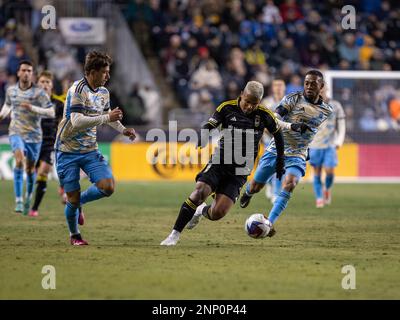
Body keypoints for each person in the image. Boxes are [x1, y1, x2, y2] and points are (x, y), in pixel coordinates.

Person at [160, 81, 308, 246]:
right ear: (242, 95)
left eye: (254, 103)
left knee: (218, 213)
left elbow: (278, 134)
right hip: (220, 161)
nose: (250, 106)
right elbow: (211, 123)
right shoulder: (226, 107)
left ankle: (201, 210)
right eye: (247, 101)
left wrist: (280, 160)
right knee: (199, 192)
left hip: (240, 170)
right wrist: (204, 133)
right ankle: (174, 235)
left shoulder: (264, 114)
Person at [55, 51, 136, 246]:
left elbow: (107, 115)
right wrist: (108, 118)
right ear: (92, 72)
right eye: (104, 72)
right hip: (67, 150)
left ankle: (80, 202)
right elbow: (76, 121)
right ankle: (75, 235)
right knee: (71, 199)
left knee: (108, 186)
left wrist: (123, 130)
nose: (108, 76)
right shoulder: (78, 89)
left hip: (90, 150)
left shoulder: (104, 92)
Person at [239, 70, 333, 236]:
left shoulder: (327, 111)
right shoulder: (293, 98)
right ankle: (248, 193)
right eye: (307, 83)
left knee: (290, 183)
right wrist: (292, 126)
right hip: (277, 148)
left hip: (298, 154)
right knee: (256, 186)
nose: (309, 86)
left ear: (322, 86)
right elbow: (273, 119)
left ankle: (269, 223)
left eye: (313, 83)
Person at [0, 60, 54, 214]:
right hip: (16, 131)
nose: (26, 73)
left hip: (35, 136)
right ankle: (18, 200)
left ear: (32, 74)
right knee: (18, 161)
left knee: (30, 169)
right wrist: (2, 115)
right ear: (18, 72)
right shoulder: (11, 91)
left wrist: (33, 108)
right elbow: (8, 105)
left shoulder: (39, 93)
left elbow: (50, 112)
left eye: (29, 71)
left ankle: (28, 196)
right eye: (23, 70)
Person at [28, 71, 65, 217]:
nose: (45, 85)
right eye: (42, 82)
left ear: (51, 86)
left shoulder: (58, 103)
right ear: (37, 84)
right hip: (33, 143)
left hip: (51, 143)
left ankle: (34, 209)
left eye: (47, 82)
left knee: (44, 170)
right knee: (35, 174)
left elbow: (64, 122)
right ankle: (34, 206)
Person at [309, 87, 346, 208]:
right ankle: (319, 198)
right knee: (317, 172)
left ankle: (327, 189)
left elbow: (341, 124)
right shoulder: (310, 106)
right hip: (315, 144)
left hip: (330, 144)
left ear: (326, 90)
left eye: (322, 90)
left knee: (330, 171)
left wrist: (339, 141)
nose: (320, 93)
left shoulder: (335, 106)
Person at [261, 79, 286, 203]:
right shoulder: (266, 102)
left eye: (280, 85)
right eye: (276, 85)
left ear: (284, 87)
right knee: (269, 165)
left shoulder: (289, 102)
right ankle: (270, 183)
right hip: (268, 138)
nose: (278, 87)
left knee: (280, 165)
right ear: (272, 87)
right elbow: (261, 119)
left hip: (284, 139)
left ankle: (276, 192)